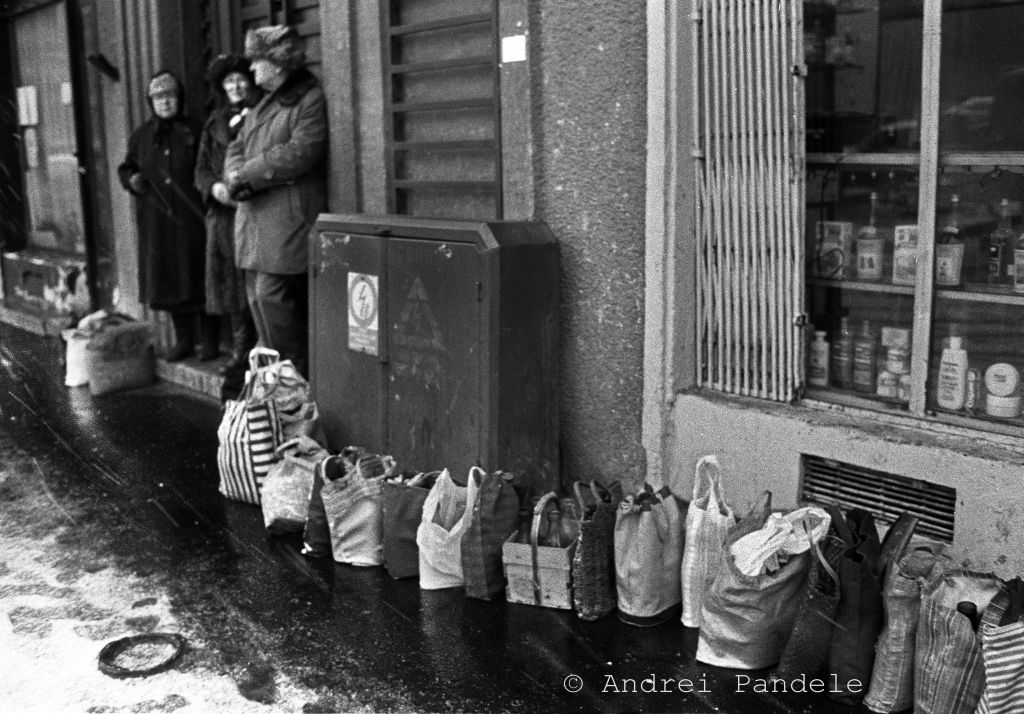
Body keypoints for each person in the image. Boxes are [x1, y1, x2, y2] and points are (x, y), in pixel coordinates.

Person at [224, 25, 327, 376]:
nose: (252, 70)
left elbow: (302, 150)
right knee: (257, 298)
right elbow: (235, 146)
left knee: (271, 297)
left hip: (286, 217)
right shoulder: (264, 100)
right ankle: (279, 380)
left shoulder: (307, 97)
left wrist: (247, 174)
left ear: (277, 63)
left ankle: (294, 375)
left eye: (257, 61)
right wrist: (235, 173)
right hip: (257, 218)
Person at [118, 70, 217, 362]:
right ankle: (184, 340)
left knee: (201, 277)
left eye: (170, 96)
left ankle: (210, 341)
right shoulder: (141, 136)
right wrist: (132, 180)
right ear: (151, 101)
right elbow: (126, 167)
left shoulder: (196, 130)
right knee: (170, 280)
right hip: (158, 221)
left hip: (193, 219)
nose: (165, 102)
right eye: (159, 97)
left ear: (180, 98)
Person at [194, 54, 262, 376]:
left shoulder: (262, 114)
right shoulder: (215, 122)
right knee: (232, 285)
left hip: (255, 211)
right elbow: (201, 168)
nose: (235, 86)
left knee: (258, 283)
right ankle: (240, 353)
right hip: (223, 216)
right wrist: (214, 188)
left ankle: (261, 353)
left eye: (240, 79)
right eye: (228, 82)